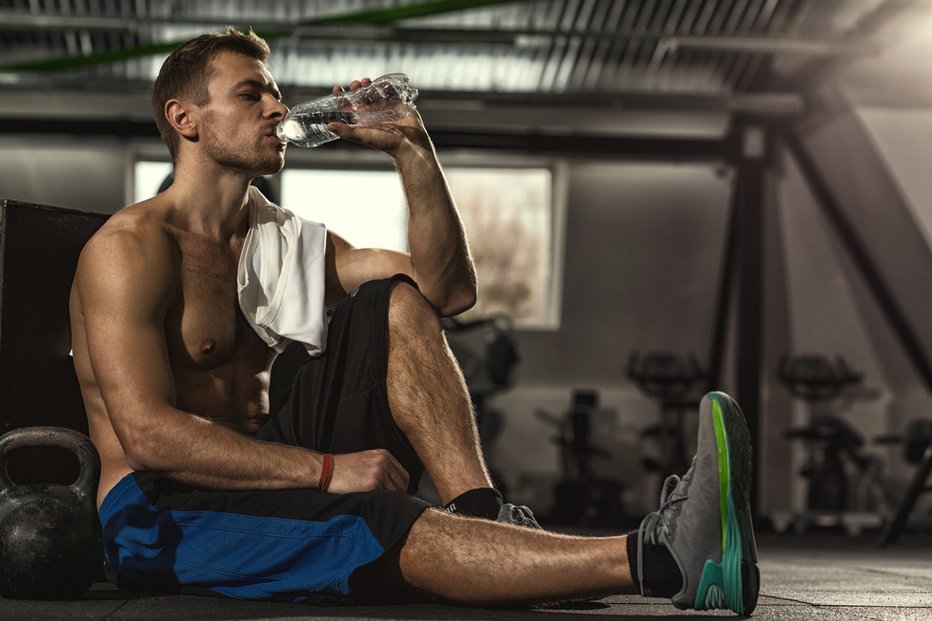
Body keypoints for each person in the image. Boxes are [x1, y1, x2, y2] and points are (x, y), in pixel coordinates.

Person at [69, 27, 759, 614]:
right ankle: (663, 559)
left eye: (275, 92)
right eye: (252, 94)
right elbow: (149, 435)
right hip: (159, 513)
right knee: (379, 519)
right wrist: (326, 470)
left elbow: (446, 290)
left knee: (392, 299)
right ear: (185, 119)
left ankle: (481, 512)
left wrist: (412, 151)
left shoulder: (273, 237)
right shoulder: (131, 250)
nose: (278, 107)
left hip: (264, 470)